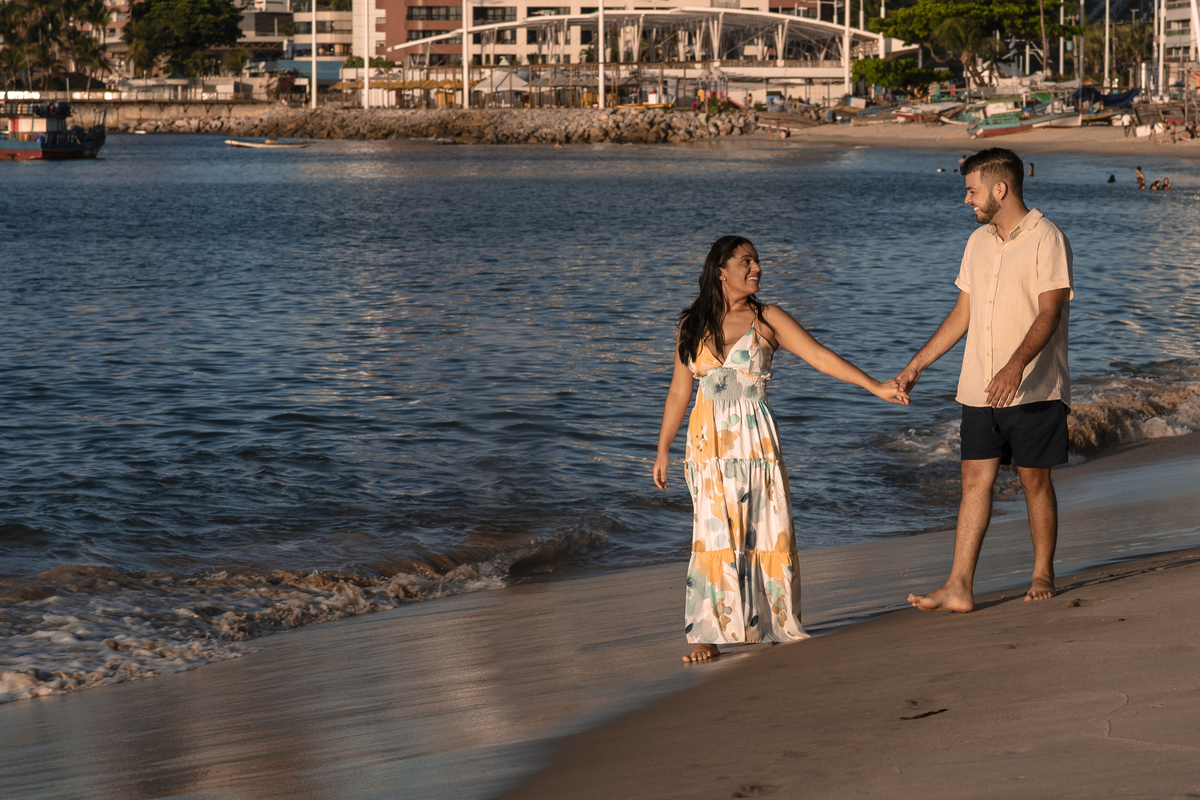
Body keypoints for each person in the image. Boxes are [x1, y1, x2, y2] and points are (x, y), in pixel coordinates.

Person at [654, 236, 909, 662]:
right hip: (706, 445)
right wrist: (662, 449)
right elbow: (680, 391)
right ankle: (706, 630)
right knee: (712, 532)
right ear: (721, 270)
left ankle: (771, 619)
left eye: (757, 261)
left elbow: (819, 357)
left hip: (754, 440)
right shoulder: (691, 323)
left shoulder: (767, 318)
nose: (756, 268)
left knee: (764, 526)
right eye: (746, 261)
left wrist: (874, 386)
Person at [895, 147, 1073, 613]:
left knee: (1035, 480)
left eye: (972, 191)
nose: (966, 200)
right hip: (978, 387)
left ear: (1001, 188)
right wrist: (917, 364)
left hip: (1033, 385)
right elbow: (962, 315)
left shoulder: (1046, 238)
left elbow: (1050, 313)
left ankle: (1042, 572)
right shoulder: (976, 243)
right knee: (973, 477)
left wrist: (1015, 366)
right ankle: (959, 584)